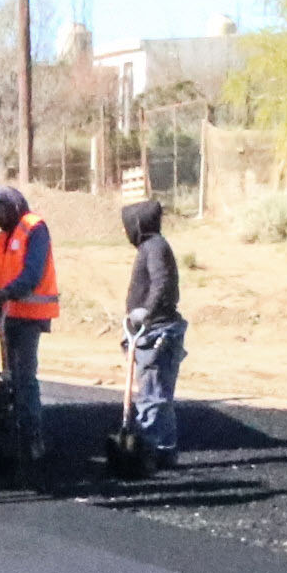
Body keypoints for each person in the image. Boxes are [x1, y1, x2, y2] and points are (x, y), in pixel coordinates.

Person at [0, 185, 57, 462]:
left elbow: (32, 275)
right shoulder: (2, 236)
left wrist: (5, 293)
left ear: (13, 205)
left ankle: (32, 438)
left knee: (24, 378)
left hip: (29, 316)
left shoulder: (35, 228)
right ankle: (14, 435)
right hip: (7, 315)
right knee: (12, 378)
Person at [121, 198, 186, 468]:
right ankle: (164, 450)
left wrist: (146, 311)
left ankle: (146, 452)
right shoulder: (151, 247)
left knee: (152, 394)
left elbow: (162, 282)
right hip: (152, 328)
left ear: (138, 225)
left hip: (158, 330)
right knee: (159, 394)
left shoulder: (155, 248)